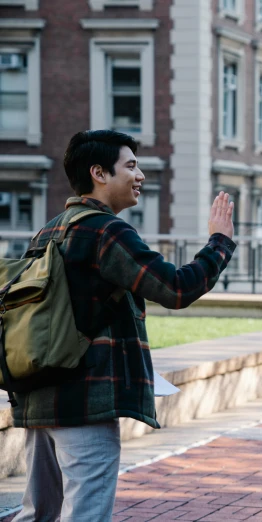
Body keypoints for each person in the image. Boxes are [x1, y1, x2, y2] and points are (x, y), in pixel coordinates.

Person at [13, 130, 236, 522]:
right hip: (85, 404)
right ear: (99, 173)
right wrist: (219, 242)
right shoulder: (106, 231)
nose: (140, 176)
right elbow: (177, 288)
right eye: (130, 166)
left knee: (37, 515)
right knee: (86, 514)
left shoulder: (46, 232)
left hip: (36, 399)